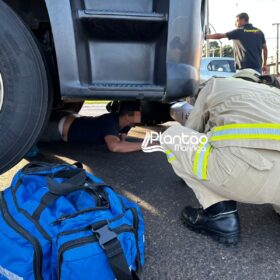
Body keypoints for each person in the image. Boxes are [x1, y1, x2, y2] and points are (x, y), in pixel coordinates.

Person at [159, 69, 280, 244]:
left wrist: (186, 168)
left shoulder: (217, 84)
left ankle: (220, 214)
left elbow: (193, 130)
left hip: (240, 174)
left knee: (173, 135)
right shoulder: (276, 93)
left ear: (237, 78)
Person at [40, 101, 142, 153]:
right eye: (140, 114)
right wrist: (144, 145)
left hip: (70, 117)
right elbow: (115, 146)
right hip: (58, 128)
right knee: (28, 138)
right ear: (129, 116)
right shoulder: (110, 121)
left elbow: (122, 139)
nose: (142, 116)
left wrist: (123, 140)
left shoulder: (125, 124)